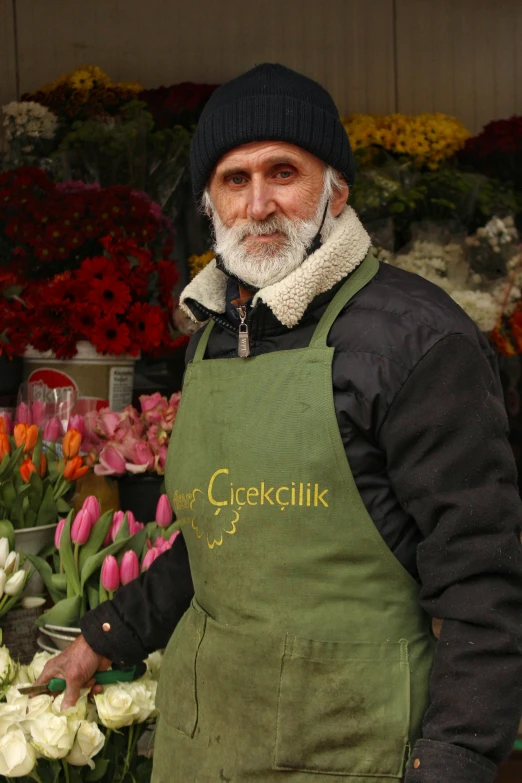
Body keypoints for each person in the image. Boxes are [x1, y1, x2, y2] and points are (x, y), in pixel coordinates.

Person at [36, 64, 522, 783]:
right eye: (235, 179)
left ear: (336, 189)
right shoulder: (208, 337)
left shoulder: (418, 342)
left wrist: (454, 758)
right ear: (209, 202)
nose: (259, 203)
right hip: (209, 747)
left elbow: (484, 580)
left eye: (283, 171)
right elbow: (218, 539)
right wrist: (107, 634)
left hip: (355, 751)